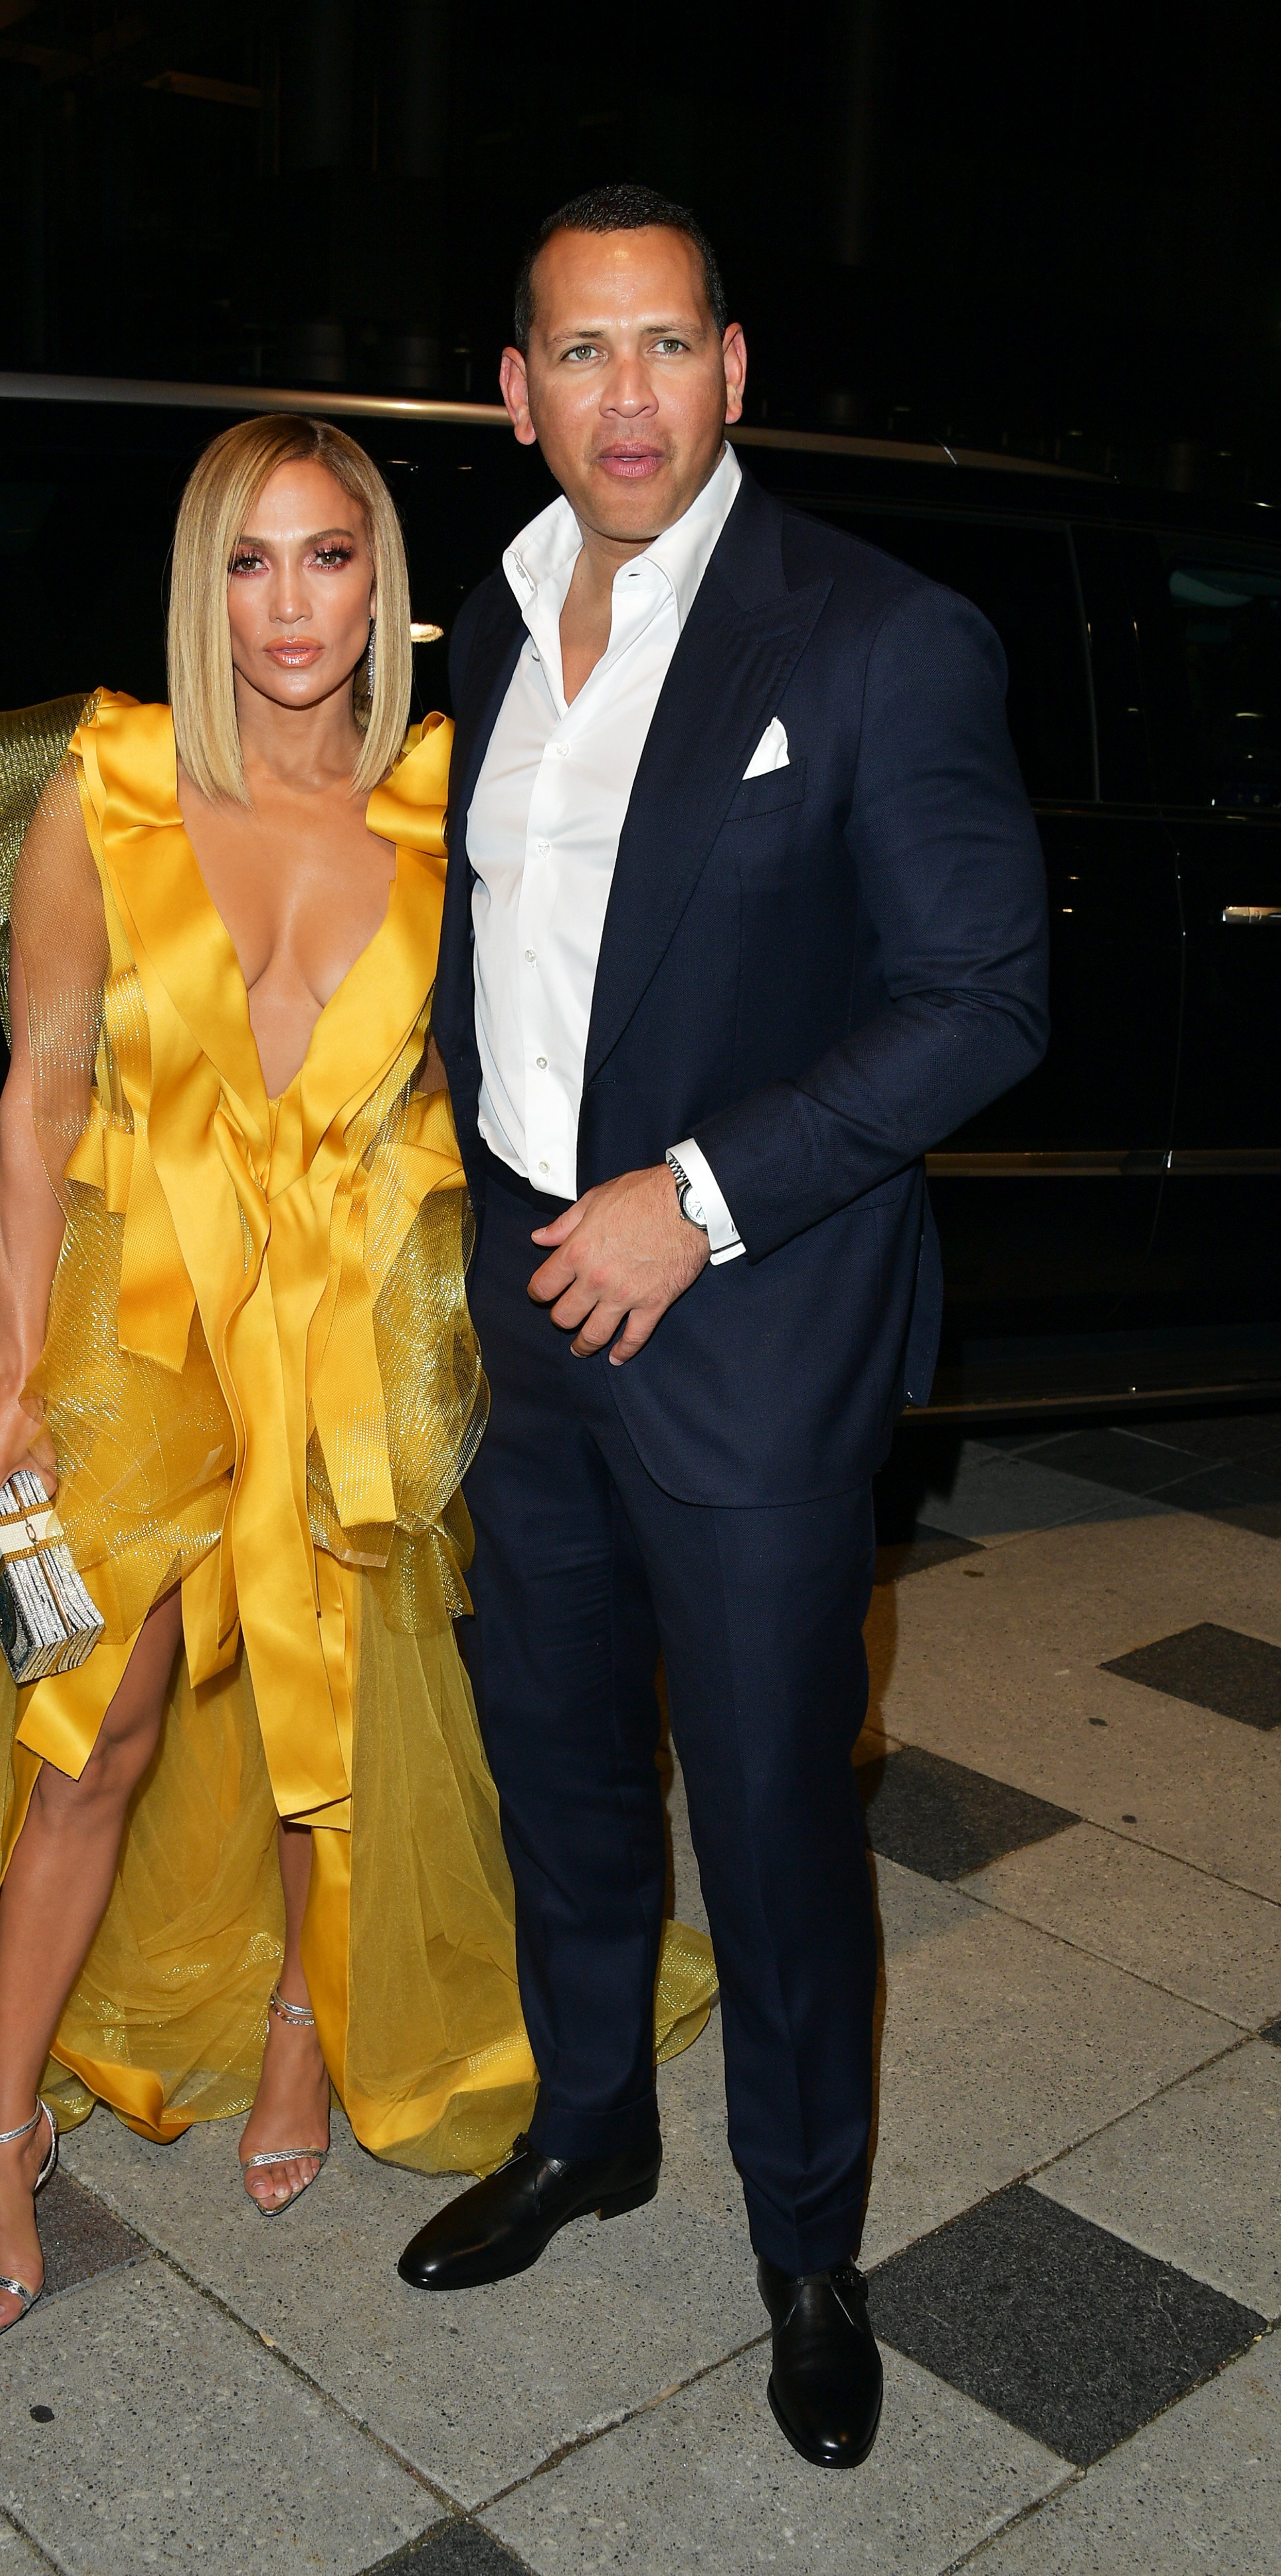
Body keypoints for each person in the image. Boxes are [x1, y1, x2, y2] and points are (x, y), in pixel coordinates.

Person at [0, 412, 717, 2347]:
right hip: (139, 1321)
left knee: (337, 1709)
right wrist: (11, 1377)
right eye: (248, 560)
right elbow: (44, 1086)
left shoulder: (451, 800)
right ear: (199, 585)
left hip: (345, 1325)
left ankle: (303, 2024)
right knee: (97, 1733)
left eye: (327, 558)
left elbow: (543, 1057)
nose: (289, 605)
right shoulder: (111, 784)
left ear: (383, 585)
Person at [398, 187, 1050, 2474]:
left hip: (750, 1324)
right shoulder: (485, 609)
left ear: (737, 366)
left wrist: (700, 1195)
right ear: (518, 391)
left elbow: (985, 997)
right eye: (580, 353)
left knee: (775, 1812)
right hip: (525, 1298)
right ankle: (595, 2126)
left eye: (666, 345)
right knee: (561, 1757)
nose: (629, 394)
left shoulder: (878, 638)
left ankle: (807, 2241)